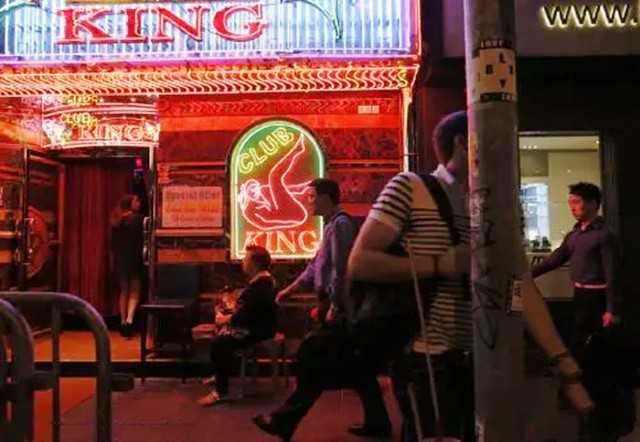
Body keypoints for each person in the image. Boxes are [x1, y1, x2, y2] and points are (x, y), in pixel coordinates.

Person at [347, 111, 594, 441]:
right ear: (462, 142)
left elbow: (519, 285)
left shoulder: (504, 206)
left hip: (487, 360)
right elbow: (360, 262)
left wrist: (560, 357)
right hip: (428, 357)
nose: (501, 153)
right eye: (492, 143)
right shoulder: (410, 187)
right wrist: (438, 264)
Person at [253, 178, 392, 441]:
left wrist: (335, 307)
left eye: (312, 197)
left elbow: (342, 270)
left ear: (327, 197)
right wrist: (290, 289)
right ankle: (378, 423)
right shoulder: (331, 226)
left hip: (339, 307)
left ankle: (284, 420)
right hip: (335, 305)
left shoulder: (340, 226)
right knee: (358, 369)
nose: (308, 201)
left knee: (310, 360)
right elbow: (316, 266)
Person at [532, 182, 621, 363]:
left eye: (576, 202)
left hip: (599, 297)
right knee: (579, 343)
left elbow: (613, 274)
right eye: (570, 202)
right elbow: (554, 260)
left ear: (593, 203)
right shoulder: (574, 235)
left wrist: (611, 309)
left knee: (599, 347)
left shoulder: (604, 235)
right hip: (580, 295)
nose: (572, 207)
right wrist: (527, 274)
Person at [197, 245, 277, 406]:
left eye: (246, 259)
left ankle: (221, 391)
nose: (243, 262)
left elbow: (246, 315)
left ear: (254, 263)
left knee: (219, 343)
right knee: (220, 337)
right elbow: (247, 310)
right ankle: (221, 374)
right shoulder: (262, 282)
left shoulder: (261, 285)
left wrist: (225, 319)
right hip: (257, 326)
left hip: (257, 330)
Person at [110, 194, 144, 338]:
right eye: (136, 200)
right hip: (134, 257)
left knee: (124, 291)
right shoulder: (138, 219)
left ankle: (122, 321)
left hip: (120, 259)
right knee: (135, 290)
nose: (139, 202)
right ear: (130, 203)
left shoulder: (117, 221)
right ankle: (130, 320)